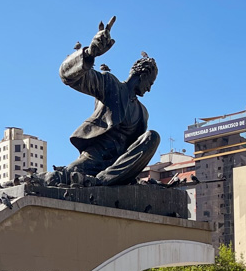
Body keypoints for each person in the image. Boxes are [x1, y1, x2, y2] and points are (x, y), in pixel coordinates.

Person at [45, 17, 161, 187]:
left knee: (153, 137)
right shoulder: (110, 85)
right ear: (142, 76)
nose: (149, 89)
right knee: (56, 179)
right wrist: (89, 54)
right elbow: (67, 77)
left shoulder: (142, 112)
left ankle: (102, 181)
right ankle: (98, 181)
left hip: (118, 167)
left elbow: (137, 148)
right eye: (149, 83)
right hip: (94, 159)